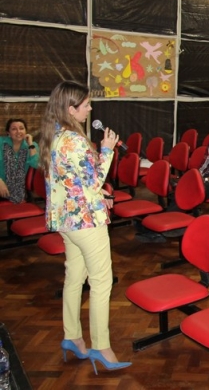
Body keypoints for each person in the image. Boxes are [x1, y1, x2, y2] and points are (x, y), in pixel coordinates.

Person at [38, 81, 130, 373]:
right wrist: (107, 150)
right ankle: (101, 347)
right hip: (86, 222)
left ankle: (72, 337)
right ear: (71, 108)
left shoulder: (54, 135)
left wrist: (95, 192)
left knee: (74, 278)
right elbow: (93, 180)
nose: (90, 108)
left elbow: (71, 181)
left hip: (66, 221)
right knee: (102, 282)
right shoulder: (75, 141)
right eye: (86, 104)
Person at [136, 113, 209, 243]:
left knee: (190, 191)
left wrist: (204, 180)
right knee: (183, 187)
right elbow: (204, 166)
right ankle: (165, 226)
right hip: (208, 178)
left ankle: (159, 229)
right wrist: (196, 177)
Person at [0, 118, 39, 203]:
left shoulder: (32, 145)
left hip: (20, 191)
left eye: (21, 128)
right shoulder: (1, 143)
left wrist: (30, 144)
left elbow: (36, 165)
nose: (18, 131)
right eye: (14, 129)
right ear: (8, 133)